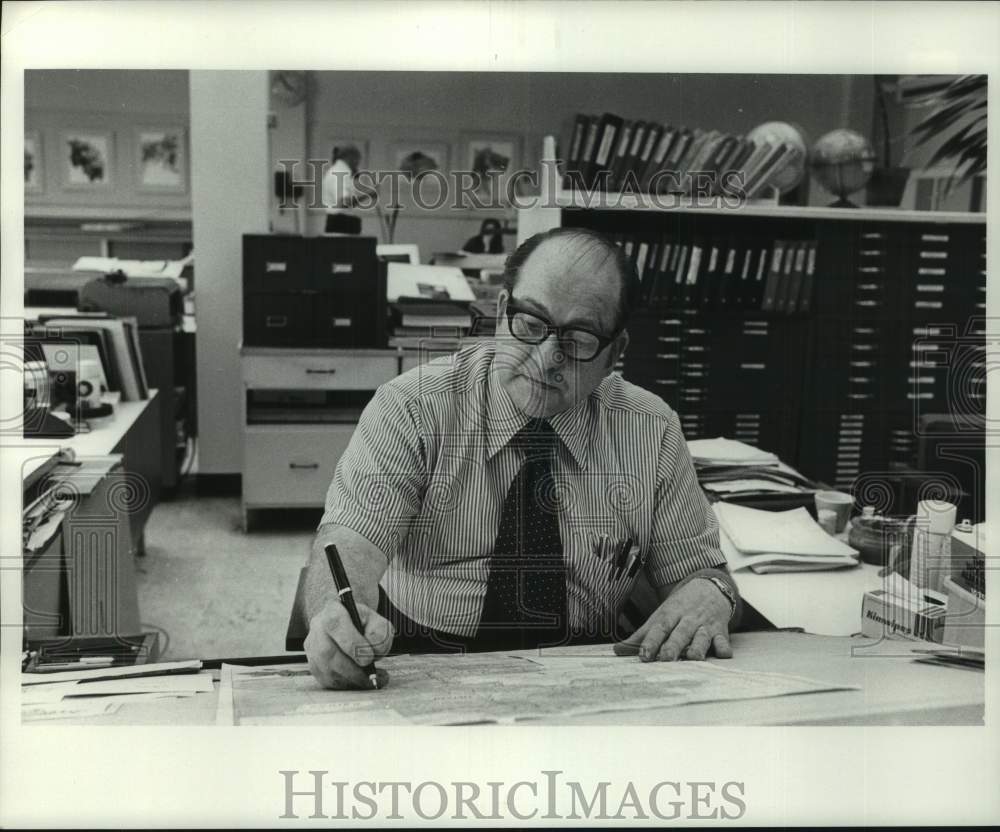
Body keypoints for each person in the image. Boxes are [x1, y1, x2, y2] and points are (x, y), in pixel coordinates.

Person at [303, 227, 740, 690]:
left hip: (585, 668)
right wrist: (336, 615)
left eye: (580, 338)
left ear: (615, 353)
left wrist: (713, 593)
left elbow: (700, 572)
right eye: (531, 324)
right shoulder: (412, 406)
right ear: (499, 311)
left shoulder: (652, 429)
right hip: (425, 657)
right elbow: (351, 543)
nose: (547, 358)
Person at [322, 145, 362, 234]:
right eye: (357, 160)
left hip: (340, 221)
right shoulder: (340, 172)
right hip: (341, 223)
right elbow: (343, 202)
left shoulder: (338, 171)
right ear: (350, 157)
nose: (357, 164)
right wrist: (368, 194)